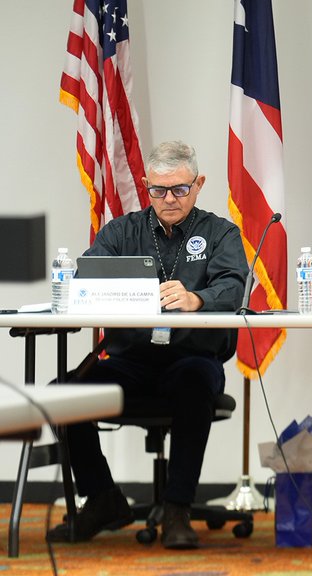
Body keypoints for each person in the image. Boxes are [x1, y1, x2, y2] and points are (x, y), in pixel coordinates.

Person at [47, 141, 248, 550]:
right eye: (158, 190)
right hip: (130, 359)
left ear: (198, 185)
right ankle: (102, 498)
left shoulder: (221, 232)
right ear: (145, 186)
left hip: (192, 356)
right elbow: (86, 280)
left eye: (179, 189)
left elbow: (232, 286)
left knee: (194, 384)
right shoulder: (122, 232)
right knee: (61, 395)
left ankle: (177, 508)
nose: (168, 199)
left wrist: (198, 300)